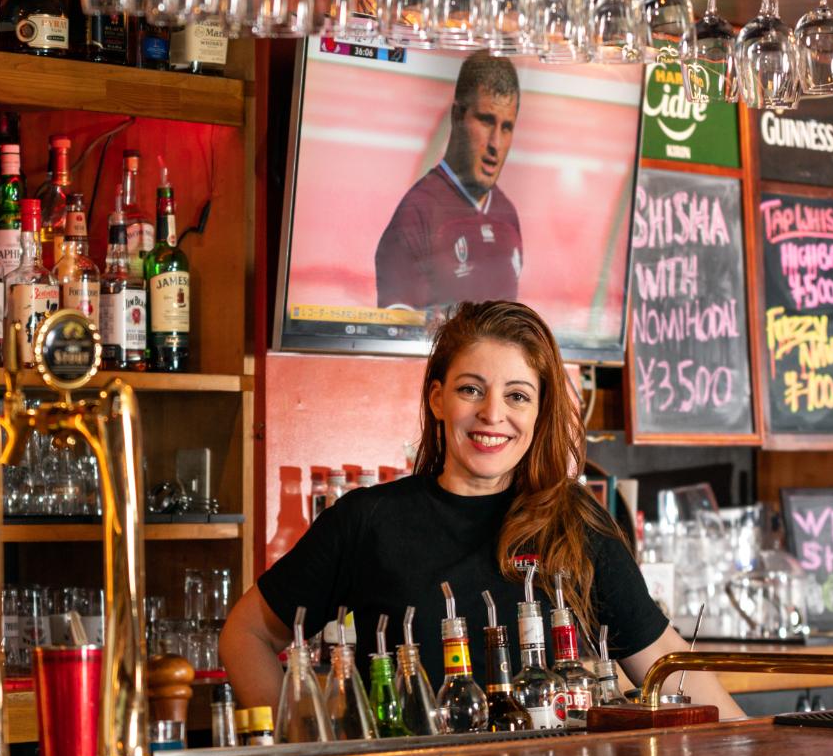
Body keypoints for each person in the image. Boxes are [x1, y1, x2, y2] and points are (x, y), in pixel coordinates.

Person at [221, 301, 743, 719]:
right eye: (472, 389)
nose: (493, 414)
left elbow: (667, 667)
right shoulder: (367, 521)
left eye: (517, 396)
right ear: (437, 399)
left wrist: (754, 749)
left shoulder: (575, 523)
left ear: (539, 413)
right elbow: (245, 636)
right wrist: (308, 747)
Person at [374, 51, 525, 311]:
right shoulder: (415, 214)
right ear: (457, 116)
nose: (495, 144)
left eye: (506, 127)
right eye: (486, 121)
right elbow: (394, 341)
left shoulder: (508, 215)